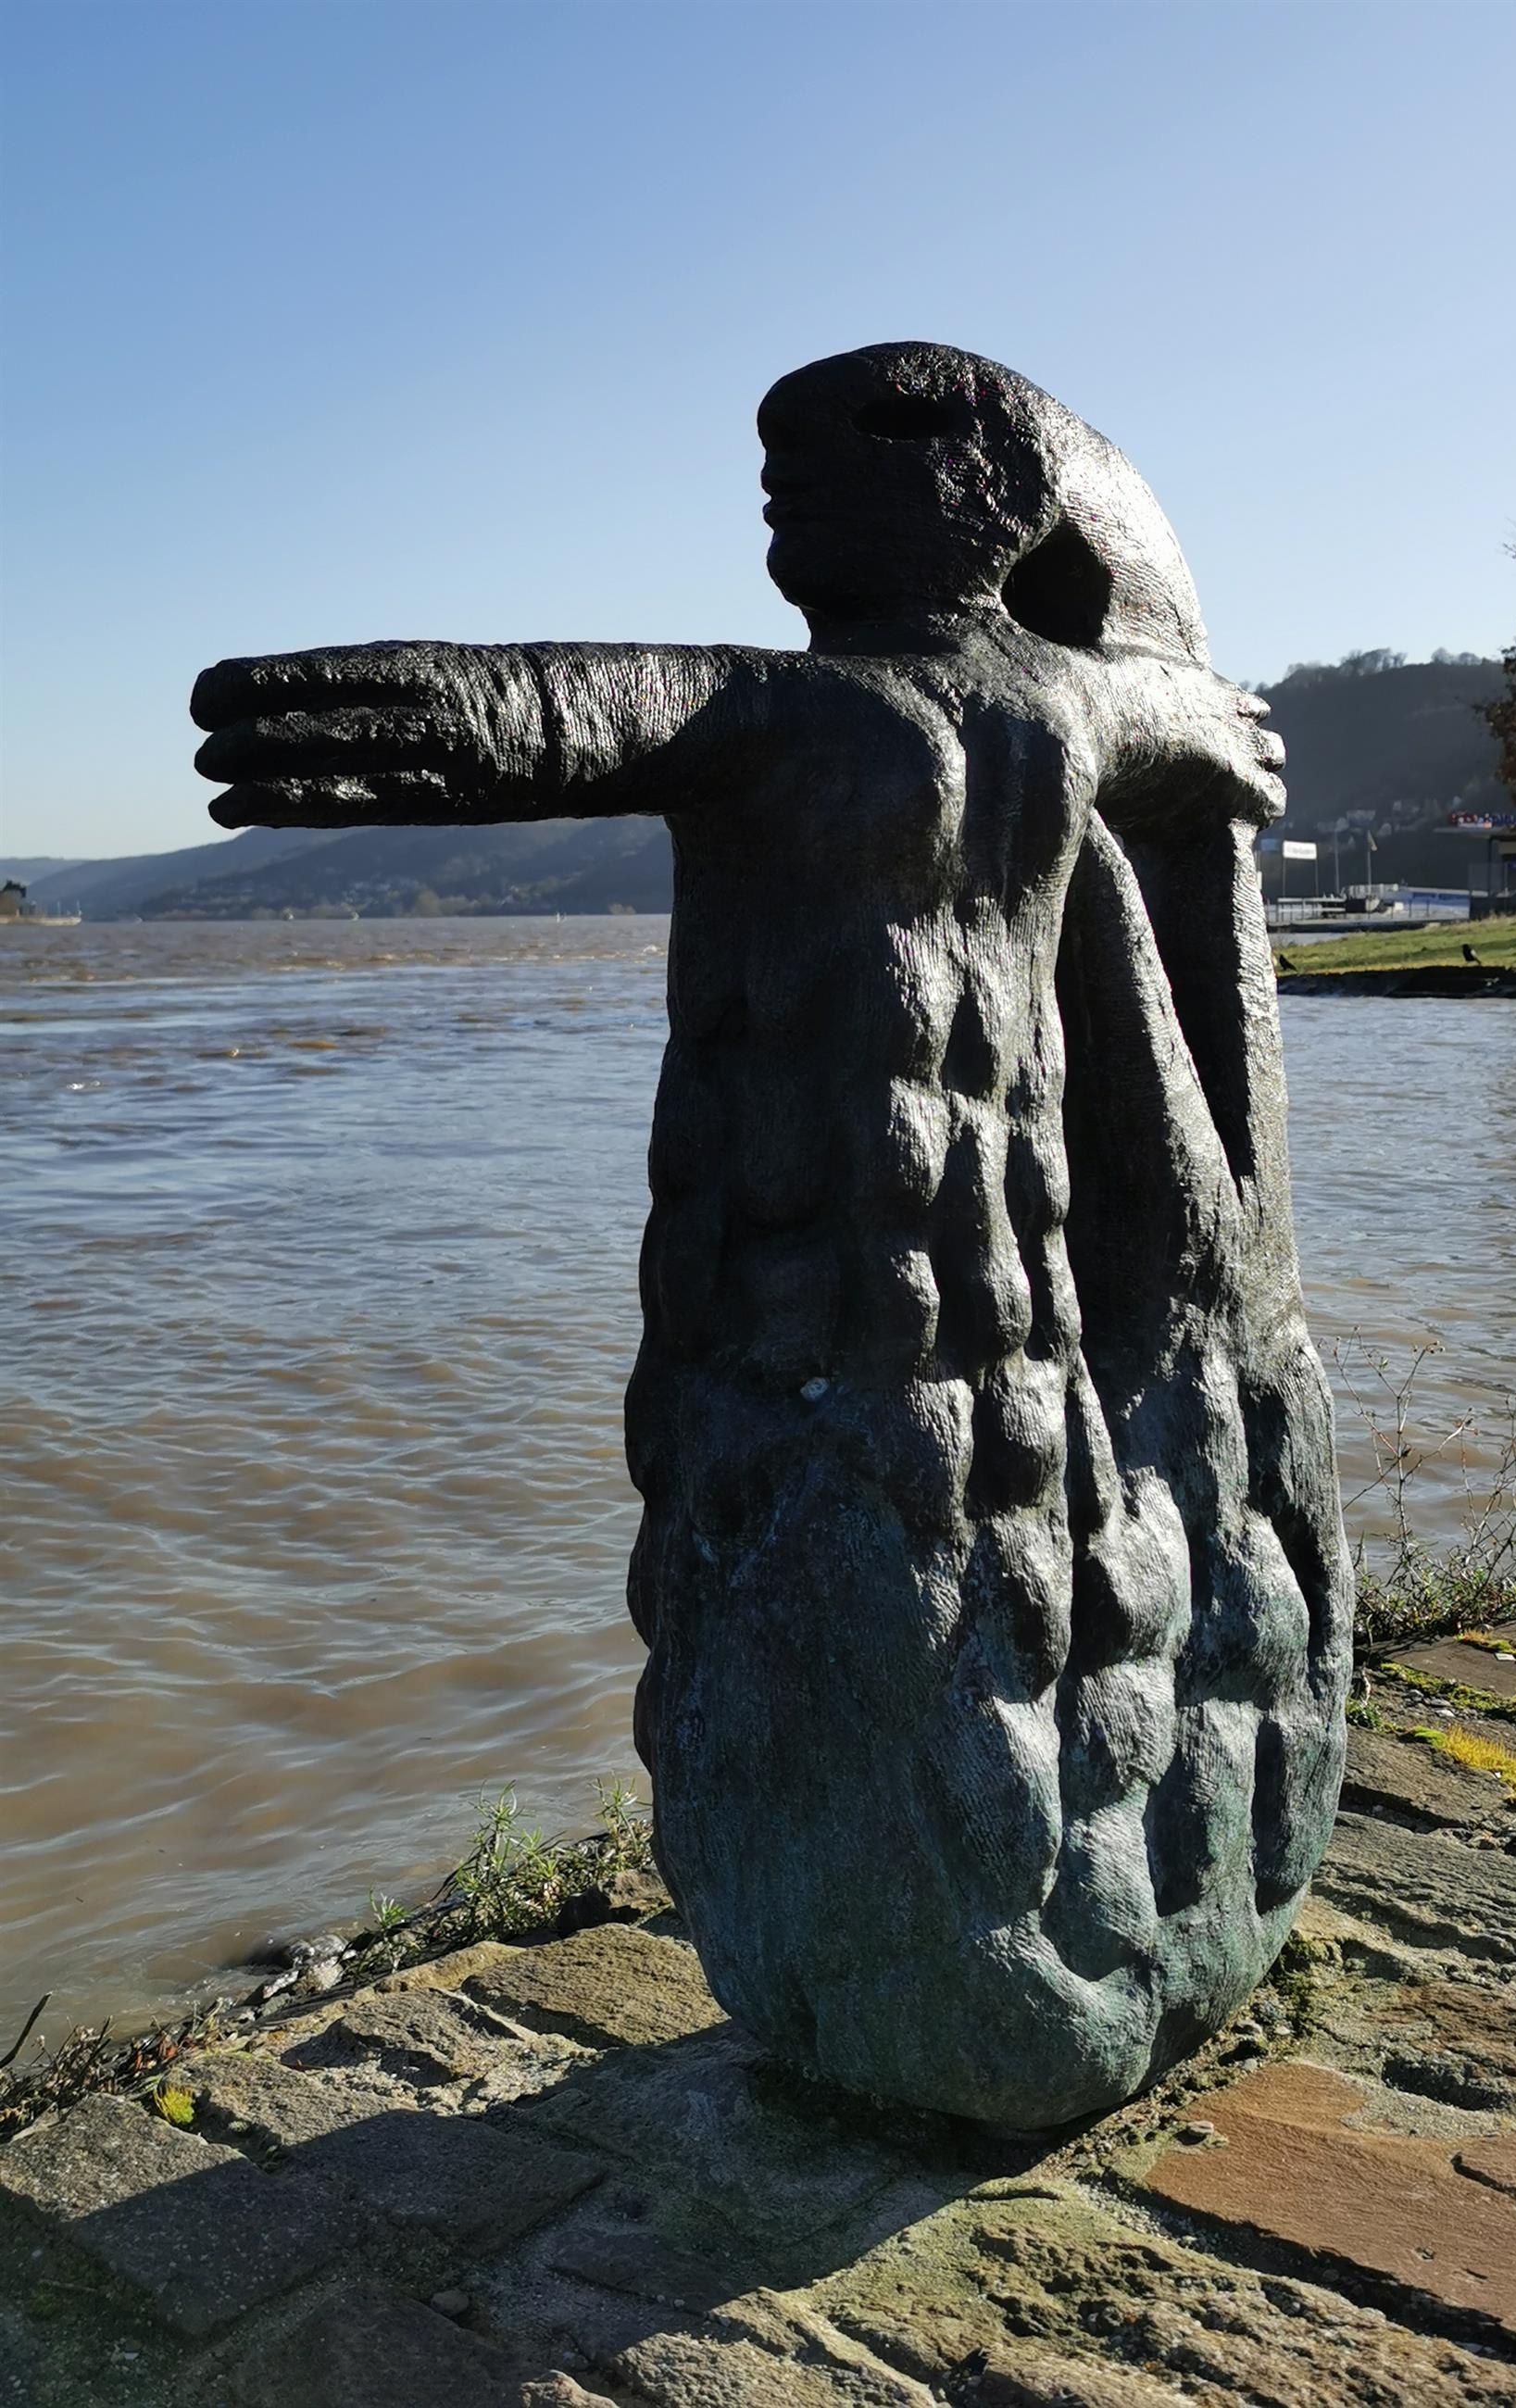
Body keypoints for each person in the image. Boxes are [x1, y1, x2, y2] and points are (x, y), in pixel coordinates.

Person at [194, 342, 1349, 2125]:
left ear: (1008, 495)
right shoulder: (1022, 707)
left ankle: (990, 1987)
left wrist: (448, 714)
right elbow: (609, 707)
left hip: (914, 1321)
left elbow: (607, 708)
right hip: (871, 1313)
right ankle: (965, 1972)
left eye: (885, 427)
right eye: (782, 439)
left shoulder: (910, 715)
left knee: (929, 1641)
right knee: (898, 1638)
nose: (787, 460)